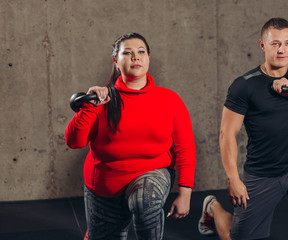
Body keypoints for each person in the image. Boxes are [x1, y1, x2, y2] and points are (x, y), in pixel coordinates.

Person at [198, 18, 288, 240]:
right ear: (262, 45)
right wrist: (233, 179)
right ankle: (212, 208)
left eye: (287, 43)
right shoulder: (244, 85)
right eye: (275, 43)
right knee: (235, 237)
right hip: (262, 173)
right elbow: (227, 134)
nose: (282, 49)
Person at [65, 33, 196, 240]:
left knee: (144, 201)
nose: (136, 57)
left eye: (141, 52)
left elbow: (185, 149)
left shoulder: (169, 100)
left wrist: (185, 194)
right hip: (104, 184)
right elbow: (74, 142)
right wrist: (89, 107)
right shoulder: (101, 99)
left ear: (148, 58)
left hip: (152, 172)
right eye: (127, 53)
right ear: (116, 61)